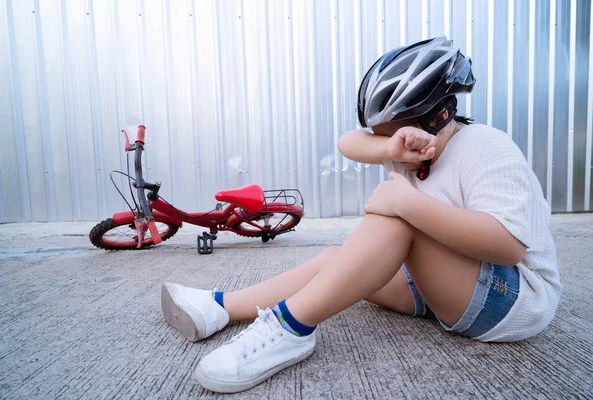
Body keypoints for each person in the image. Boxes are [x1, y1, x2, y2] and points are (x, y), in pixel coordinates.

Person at [161, 37, 561, 393]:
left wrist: (405, 201)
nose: (386, 142)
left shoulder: (485, 145)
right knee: (335, 261)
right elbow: (347, 142)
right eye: (383, 134)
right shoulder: (409, 151)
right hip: (448, 285)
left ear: (438, 116)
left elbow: (507, 247)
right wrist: (389, 151)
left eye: (391, 132)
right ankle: (221, 307)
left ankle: (290, 328)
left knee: (398, 214)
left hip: (513, 300)